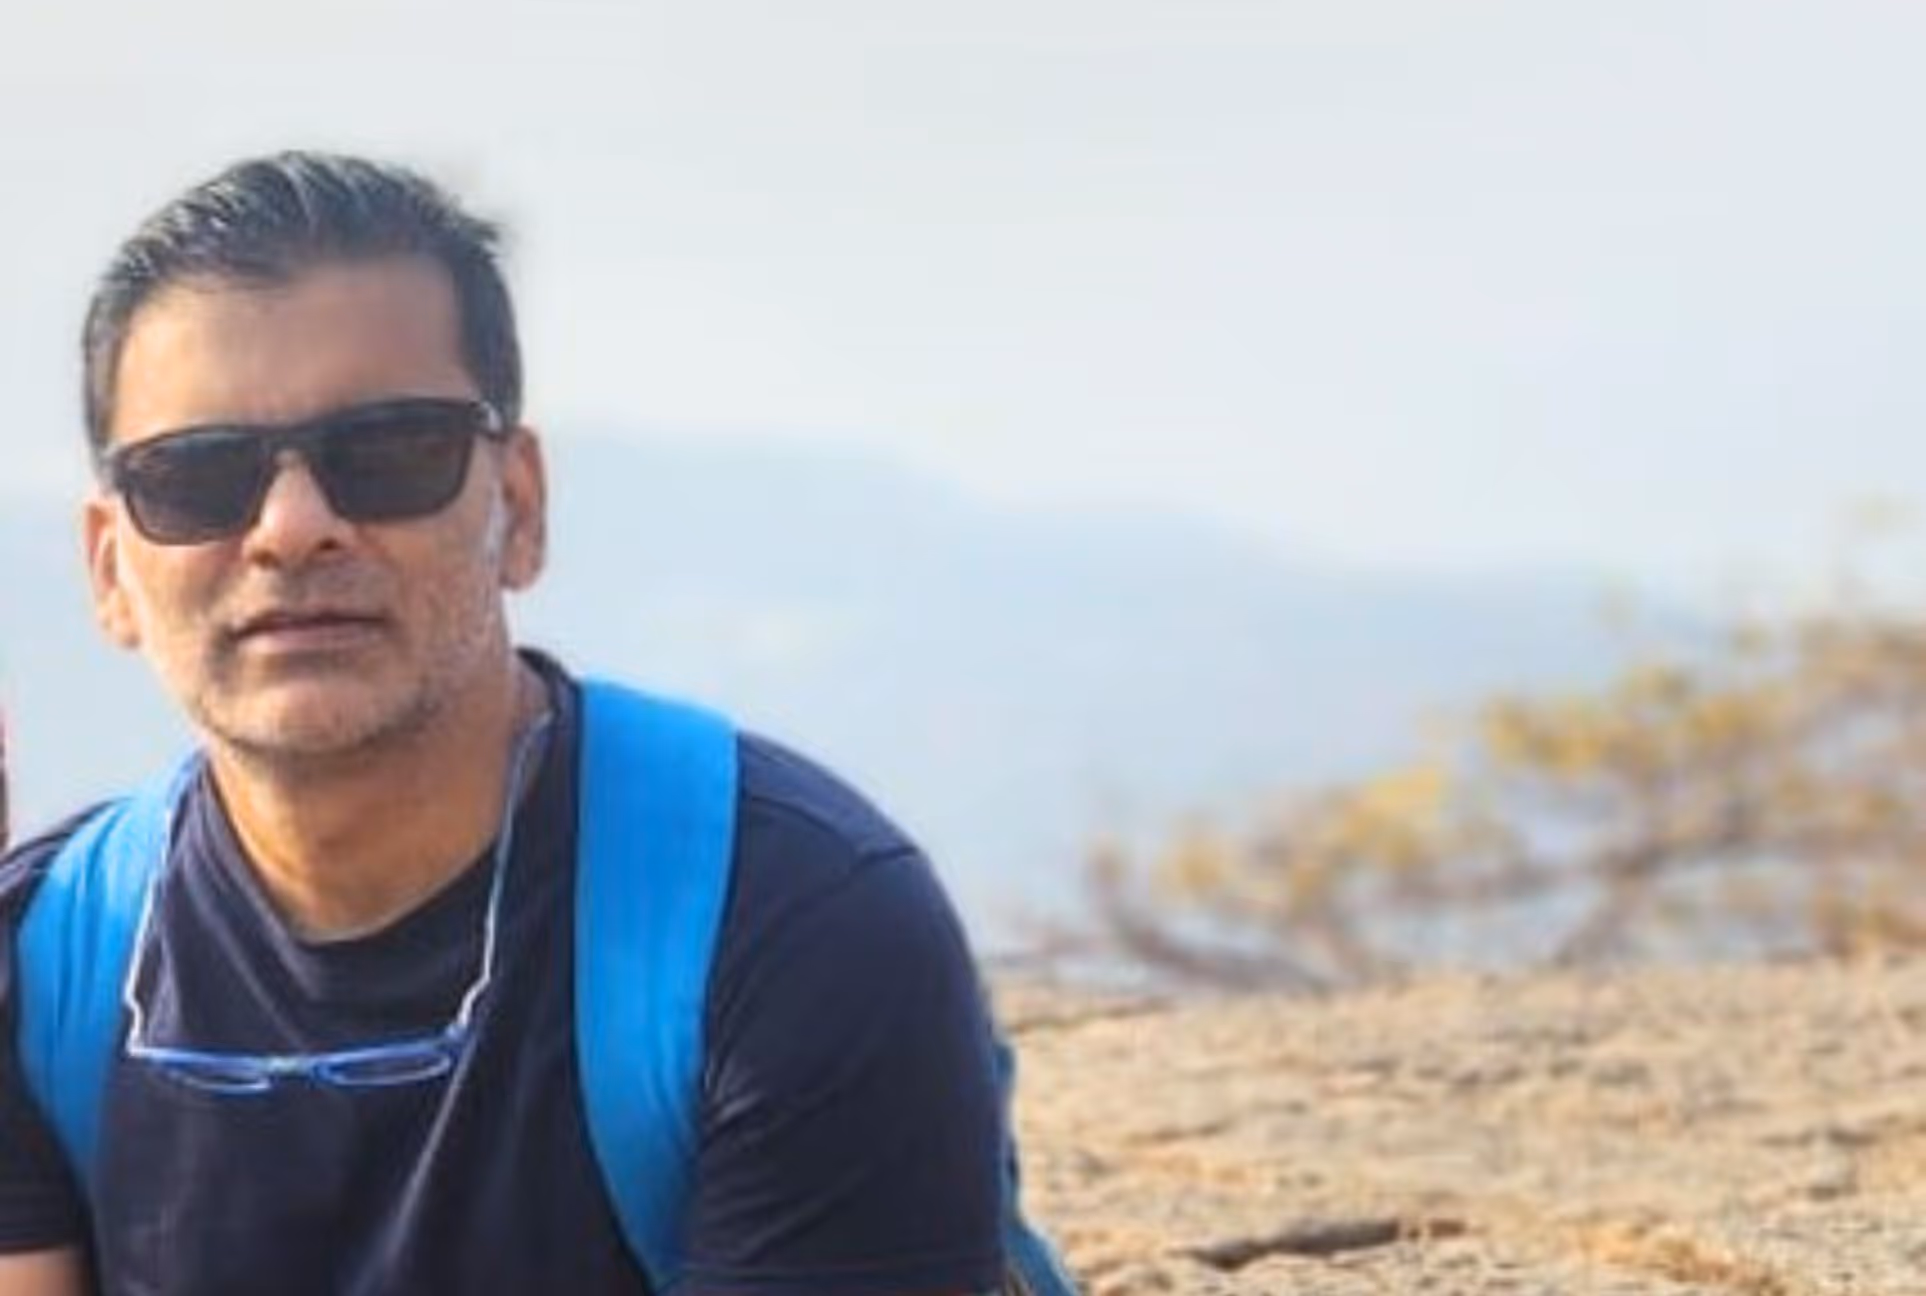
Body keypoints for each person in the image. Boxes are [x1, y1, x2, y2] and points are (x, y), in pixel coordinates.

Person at [0, 152, 1013, 1295]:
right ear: (109, 571)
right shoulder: (39, 964)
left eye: (389, 453)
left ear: (519, 508)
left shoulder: (786, 922)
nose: (292, 528)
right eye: (195, 477)